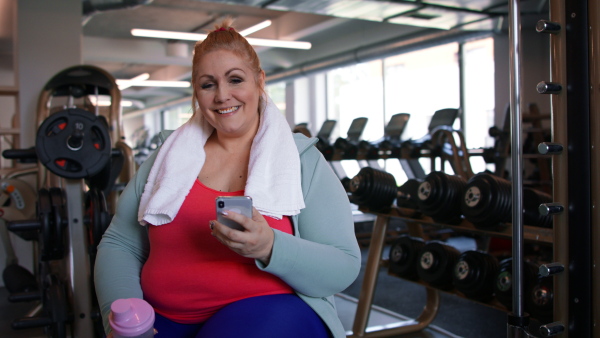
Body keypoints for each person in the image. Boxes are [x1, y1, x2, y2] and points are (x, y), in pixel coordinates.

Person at [94, 19, 361, 338]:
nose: (222, 95)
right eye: (208, 85)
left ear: (259, 81)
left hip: (268, 309)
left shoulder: (301, 159)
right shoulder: (167, 155)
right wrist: (122, 314)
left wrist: (269, 246)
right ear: (196, 91)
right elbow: (121, 242)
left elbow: (343, 265)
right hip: (163, 317)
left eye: (235, 79)